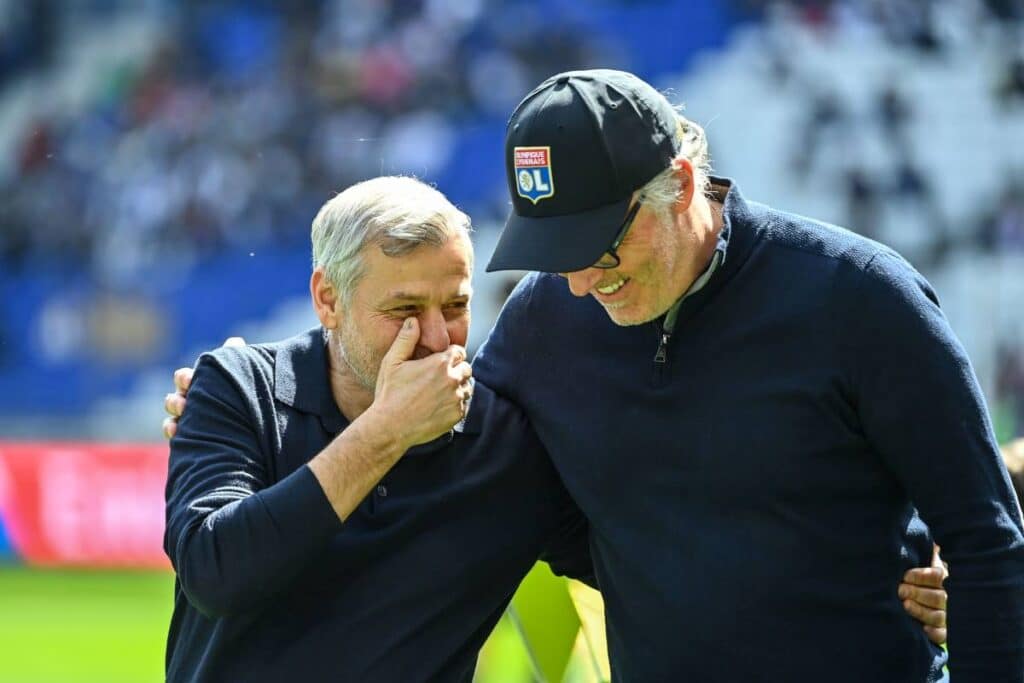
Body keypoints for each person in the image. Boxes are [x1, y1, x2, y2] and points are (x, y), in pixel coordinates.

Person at [472, 69, 1024, 681]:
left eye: (598, 246)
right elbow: (491, 479)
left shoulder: (861, 297)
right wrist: (642, 564)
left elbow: (986, 541)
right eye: (553, 253)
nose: (578, 283)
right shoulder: (539, 321)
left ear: (680, 185)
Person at [162, 176, 593, 682]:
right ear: (328, 300)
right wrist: (386, 432)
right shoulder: (239, 387)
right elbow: (215, 575)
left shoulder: (506, 441)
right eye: (403, 311)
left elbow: (639, 563)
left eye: (455, 306)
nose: (437, 338)